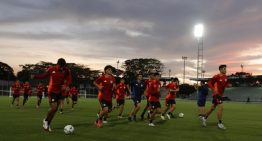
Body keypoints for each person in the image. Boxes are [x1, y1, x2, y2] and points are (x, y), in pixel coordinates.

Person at [32, 58, 72, 132]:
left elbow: (69, 79)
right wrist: (35, 76)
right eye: (61, 66)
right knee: (53, 107)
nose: (62, 68)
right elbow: (43, 76)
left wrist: (66, 85)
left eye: (63, 67)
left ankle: (48, 125)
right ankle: (45, 120)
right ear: (57, 64)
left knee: (56, 109)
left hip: (60, 91)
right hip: (52, 91)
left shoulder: (66, 70)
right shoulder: (51, 69)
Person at [205, 64, 230, 129]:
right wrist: (213, 90)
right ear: (221, 70)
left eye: (225, 68)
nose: (225, 70)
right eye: (224, 69)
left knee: (212, 108)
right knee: (221, 107)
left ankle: (204, 118)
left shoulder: (226, 77)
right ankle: (220, 123)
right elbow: (209, 83)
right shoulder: (216, 76)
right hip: (216, 95)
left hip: (220, 95)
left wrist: (228, 85)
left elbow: (225, 85)